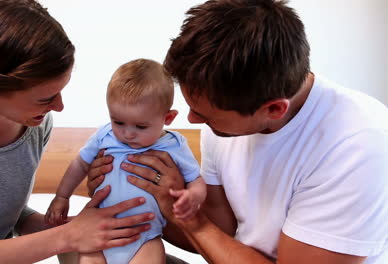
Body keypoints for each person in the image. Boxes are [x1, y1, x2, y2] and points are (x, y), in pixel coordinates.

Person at [87, 0, 388, 263]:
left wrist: (194, 222)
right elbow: (221, 231)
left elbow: (205, 229)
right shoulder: (224, 119)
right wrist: (139, 196)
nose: (192, 120)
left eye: (205, 115)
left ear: (273, 109)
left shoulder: (356, 145)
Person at [0, 1, 155, 263]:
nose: (59, 106)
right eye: (45, 98)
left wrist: (74, 227)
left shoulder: (35, 122)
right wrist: (67, 236)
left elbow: (2, 218)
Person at [45, 58, 206, 264]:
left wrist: (193, 196)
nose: (128, 134)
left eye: (140, 127)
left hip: (145, 237)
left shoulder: (174, 145)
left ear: (168, 118)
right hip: (97, 232)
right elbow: (80, 164)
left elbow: (196, 179)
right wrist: (62, 196)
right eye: (118, 122)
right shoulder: (104, 135)